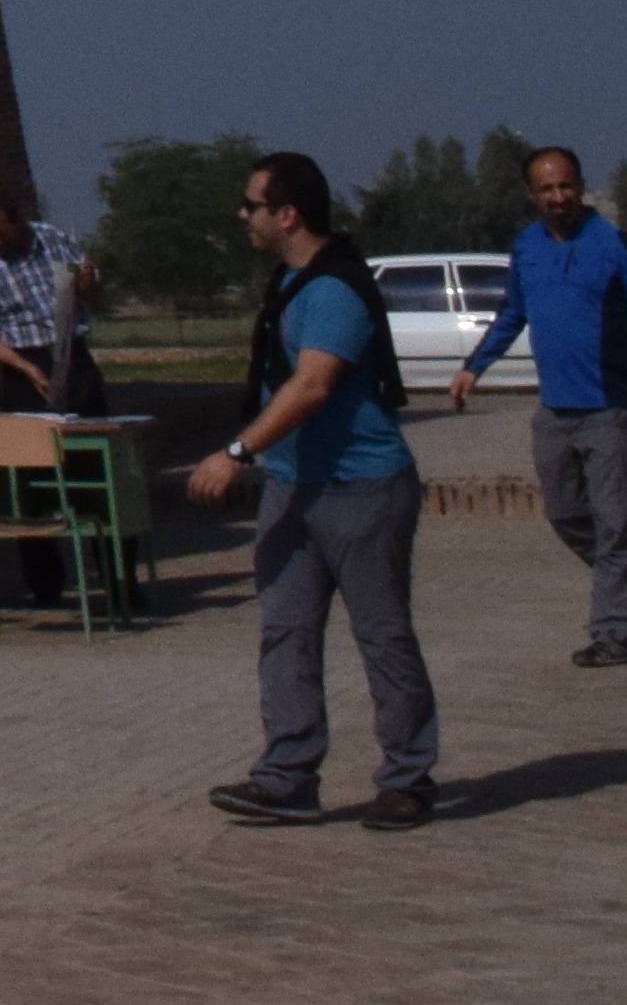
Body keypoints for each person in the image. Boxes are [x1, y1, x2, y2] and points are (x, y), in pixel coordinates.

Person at [188, 151, 436, 829]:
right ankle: (288, 776)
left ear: (287, 214)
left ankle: (407, 777)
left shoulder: (334, 289)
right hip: (294, 489)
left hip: (362, 490)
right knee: (286, 632)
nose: (244, 215)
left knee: (382, 635)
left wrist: (238, 451)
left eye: (252, 205)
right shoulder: (291, 281)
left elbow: (314, 385)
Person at [450, 143, 627, 667]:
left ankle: (615, 633)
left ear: (580, 185)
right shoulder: (526, 247)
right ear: (532, 194)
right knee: (566, 513)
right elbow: (512, 313)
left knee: (615, 522)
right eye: (547, 189)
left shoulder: (613, 244)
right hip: (555, 410)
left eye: (566, 186)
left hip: (610, 408)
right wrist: (474, 367)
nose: (558, 197)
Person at [0, 181, 109, 414]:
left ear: (17, 219)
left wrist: (87, 284)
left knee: (92, 435)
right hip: (25, 363)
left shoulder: (53, 238)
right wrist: (25, 367)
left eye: (2, 234)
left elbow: (94, 293)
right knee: (39, 444)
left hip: (73, 356)